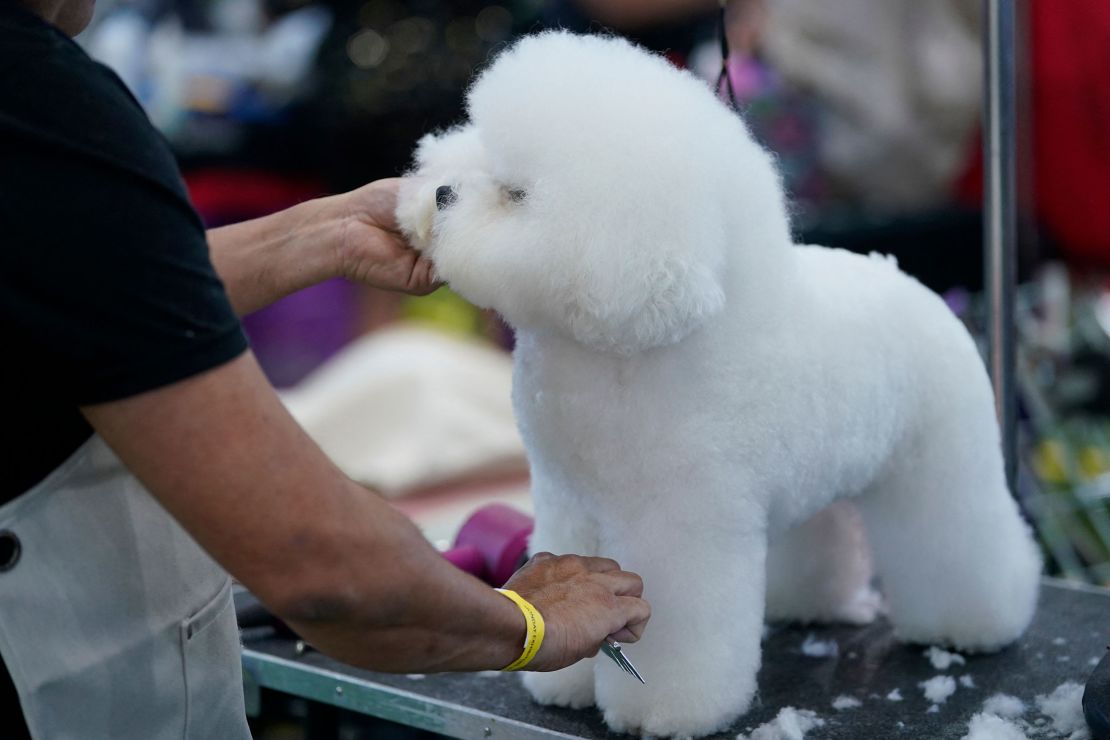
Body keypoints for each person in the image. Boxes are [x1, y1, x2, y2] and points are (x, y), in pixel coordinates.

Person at [0, 0, 651, 737]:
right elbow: (326, 571)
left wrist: (327, 233)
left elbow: (87, 291)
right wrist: (528, 624)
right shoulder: (39, 109)